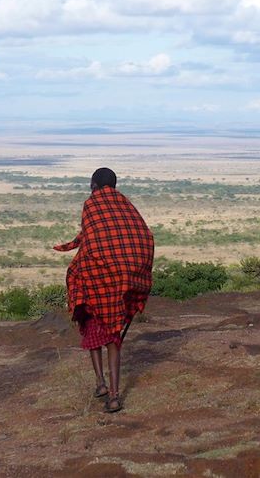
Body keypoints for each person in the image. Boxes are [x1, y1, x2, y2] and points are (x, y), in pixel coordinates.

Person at [53, 168, 154, 413]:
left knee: (89, 319)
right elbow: (143, 236)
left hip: (97, 280)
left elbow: (91, 241)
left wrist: (73, 251)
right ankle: (111, 392)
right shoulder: (125, 205)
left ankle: (106, 387)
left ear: (93, 184)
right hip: (121, 283)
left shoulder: (92, 203)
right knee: (113, 339)